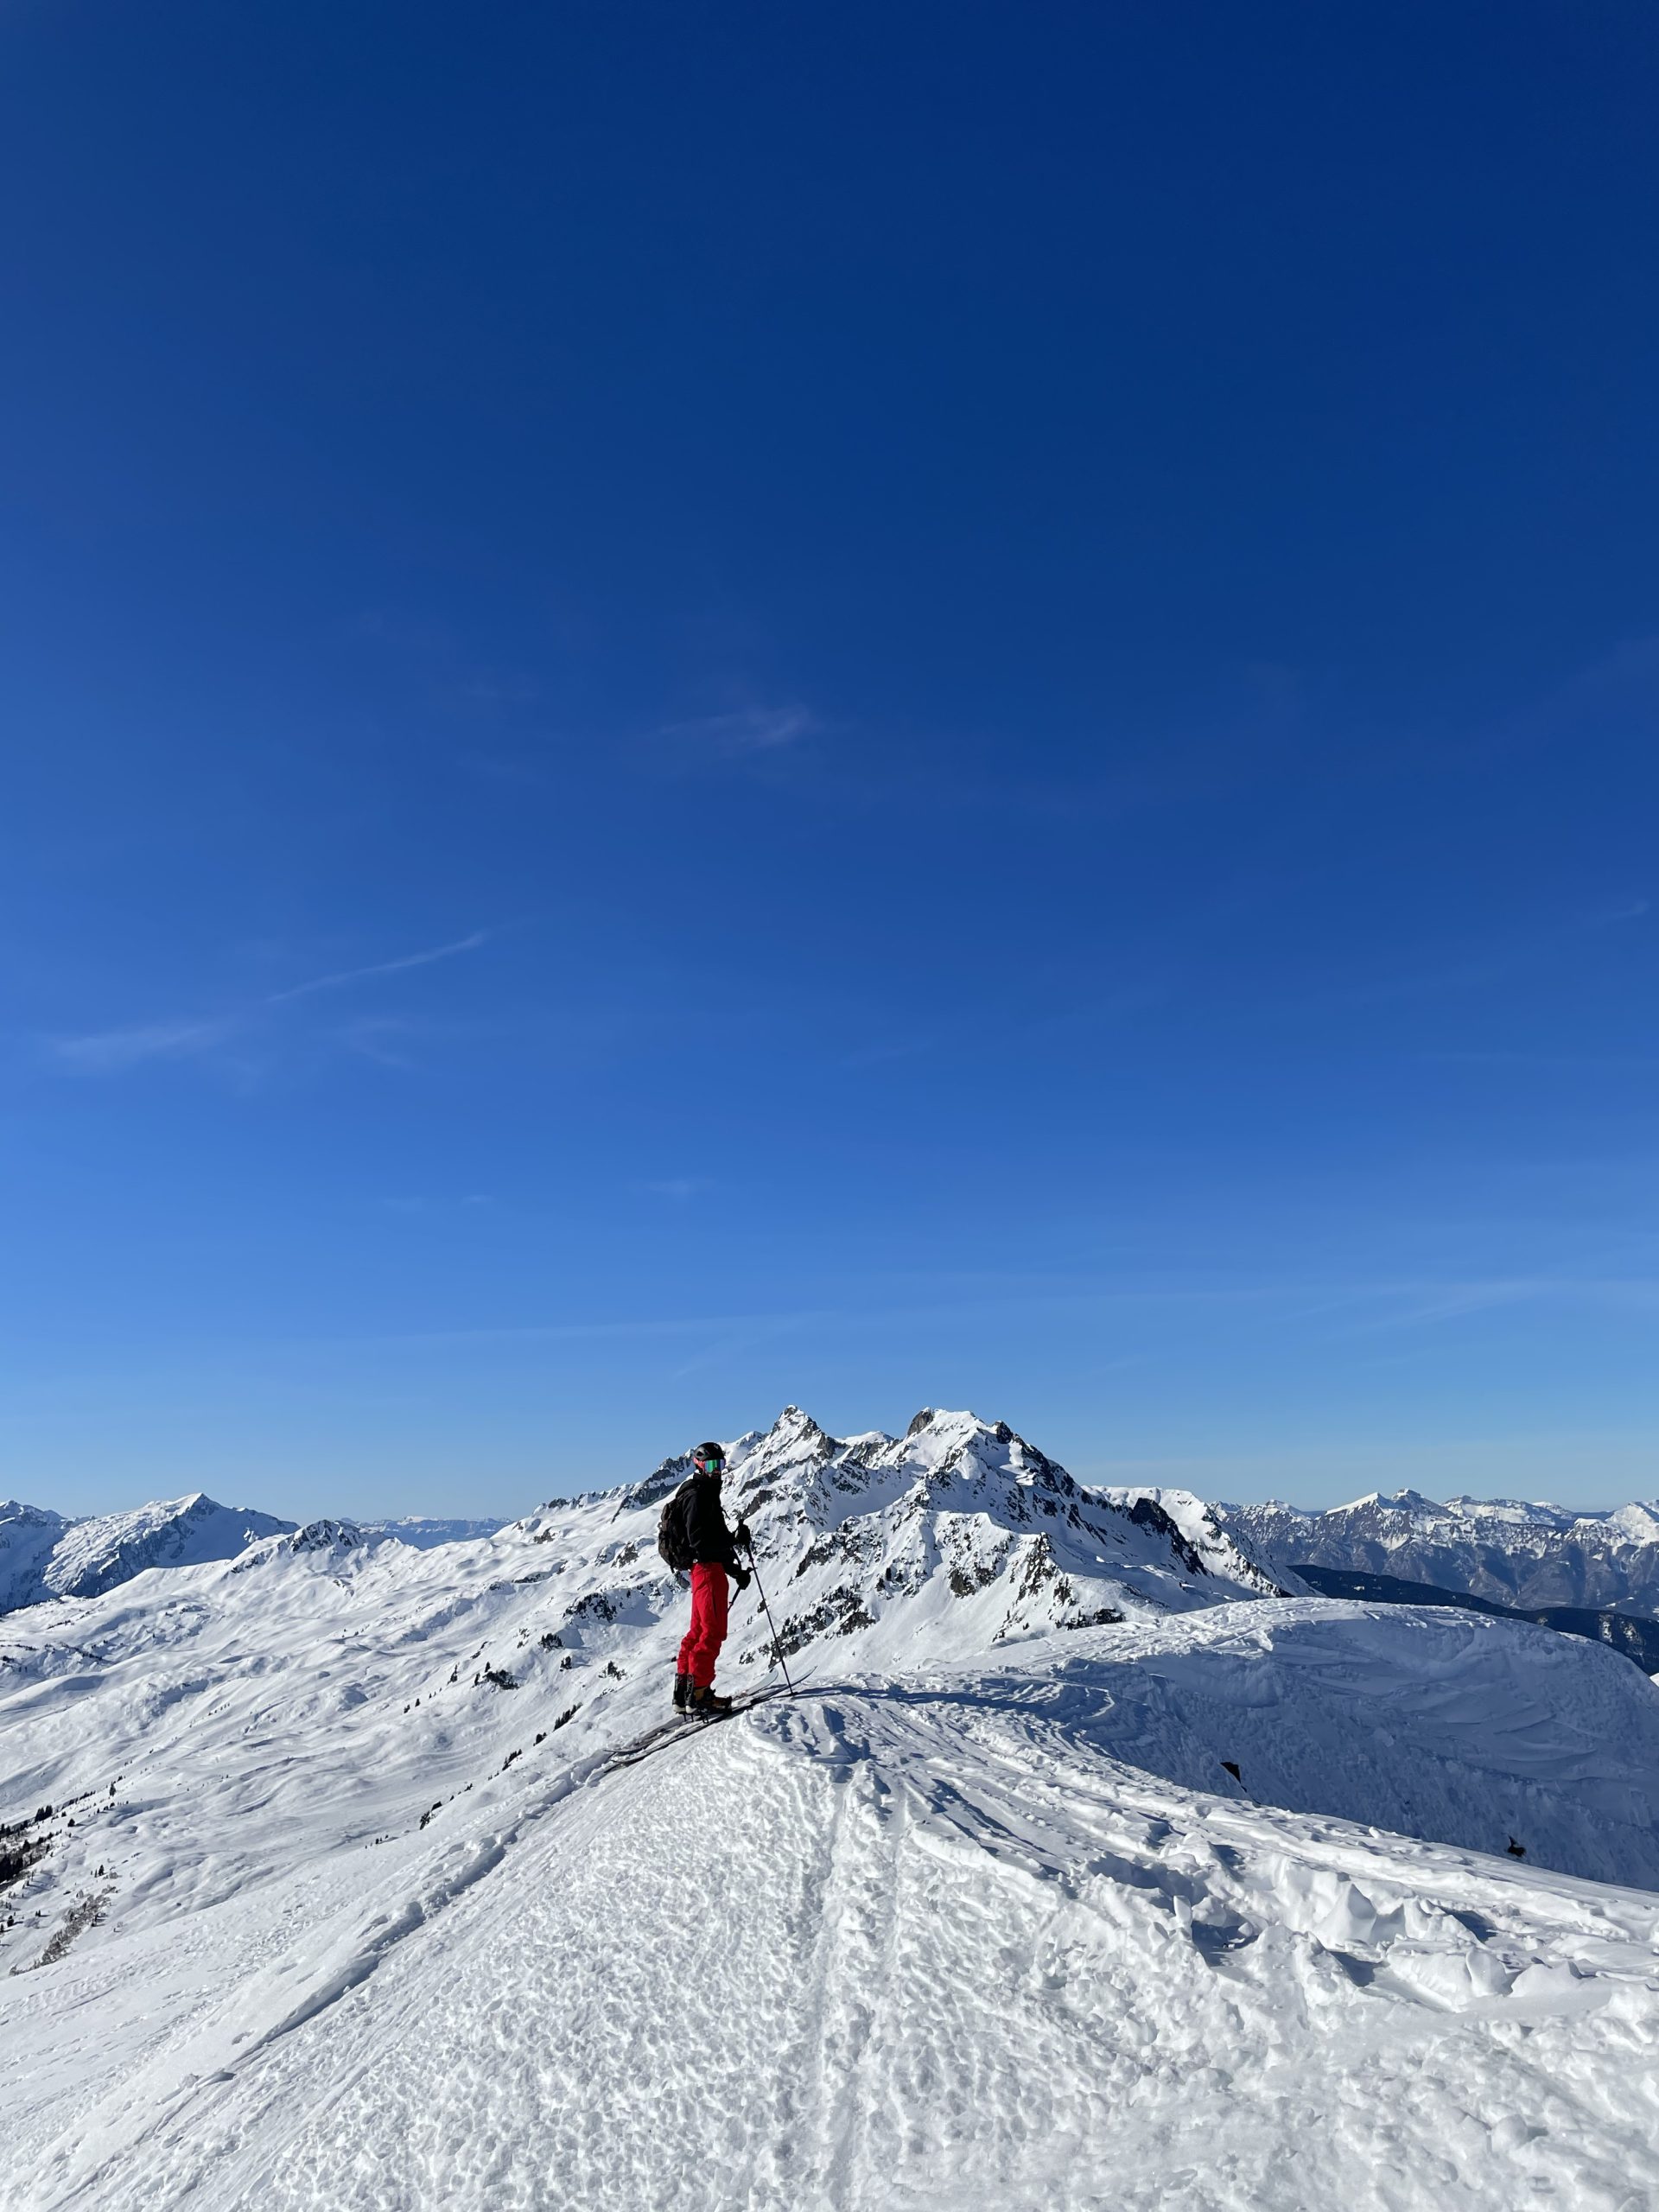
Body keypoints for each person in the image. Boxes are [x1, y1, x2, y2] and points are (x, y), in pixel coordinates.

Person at [672, 1442, 752, 1716]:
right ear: (698, 1465)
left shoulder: (703, 1492)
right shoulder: (698, 1496)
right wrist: (733, 1540)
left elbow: (711, 1542)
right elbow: (701, 1543)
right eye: (711, 1466)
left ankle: (683, 1694)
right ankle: (700, 1695)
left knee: (697, 1632)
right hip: (707, 1572)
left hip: (704, 1571)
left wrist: (735, 1570)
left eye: (720, 1465)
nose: (717, 1471)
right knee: (712, 1633)